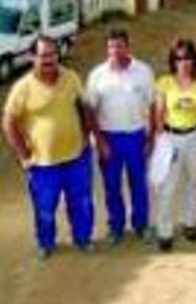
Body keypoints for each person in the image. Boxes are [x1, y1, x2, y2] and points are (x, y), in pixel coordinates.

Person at [1, 35, 96, 259]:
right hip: (43, 165)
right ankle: (46, 243)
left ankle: (83, 239)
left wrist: (87, 137)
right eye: (43, 55)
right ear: (32, 57)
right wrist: (23, 155)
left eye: (52, 54)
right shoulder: (22, 88)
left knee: (81, 204)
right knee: (45, 209)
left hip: (76, 158)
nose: (49, 59)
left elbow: (84, 108)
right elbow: (8, 122)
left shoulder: (71, 77)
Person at [86, 29, 155, 244]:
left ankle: (141, 225)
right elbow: (90, 110)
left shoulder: (143, 71)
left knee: (139, 184)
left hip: (136, 136)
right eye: (111, 46)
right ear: (107, 49)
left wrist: (150, 138)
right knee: (111, 185)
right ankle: (116, 227)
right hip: (109, 138)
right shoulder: (97, 75)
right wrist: (99, 141)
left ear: (128, 47)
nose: (115, 50)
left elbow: (153, 106)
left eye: (120, 46)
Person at [151, 38, 196, 251]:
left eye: (187, 57)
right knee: (168, 186)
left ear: (194, 59)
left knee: (193, 183)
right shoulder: (164, 83)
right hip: (171, 138)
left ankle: (189, 223)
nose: (183, 62)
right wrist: (161, 143)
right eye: (178, 58)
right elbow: (158, 115)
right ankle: (165, 230)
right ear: (173, 61)